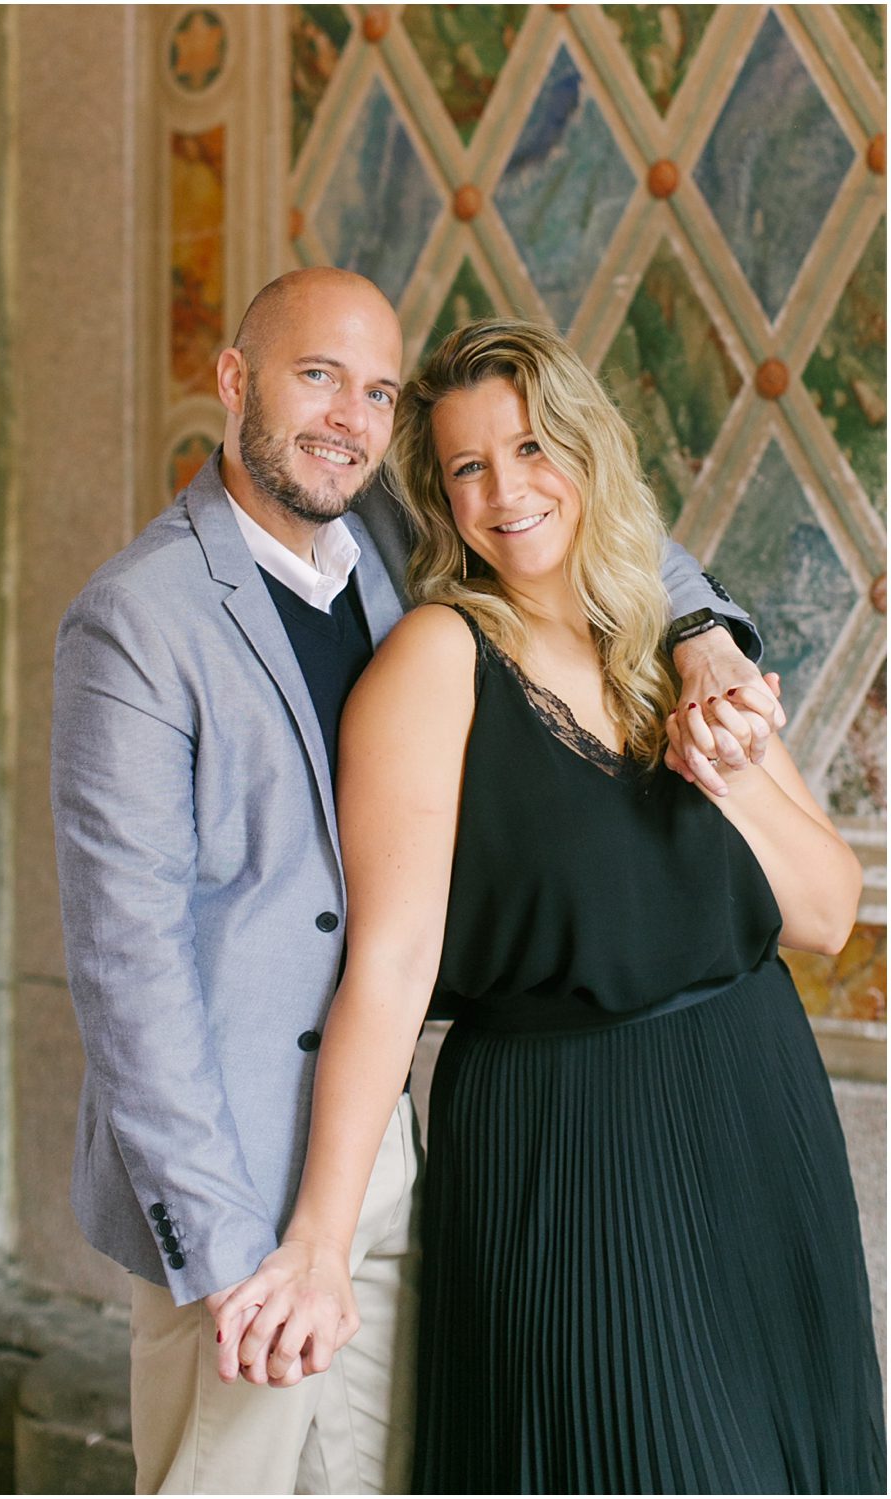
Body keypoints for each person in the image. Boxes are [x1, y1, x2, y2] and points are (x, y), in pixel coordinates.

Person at [49, 270, 779, 1495]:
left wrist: (699, 626)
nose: (347, 416)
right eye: (314, 376)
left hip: (381, 1141)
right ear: (233, 382)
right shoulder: (133, 619)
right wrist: (234, 1253)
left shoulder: (393, 528)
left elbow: (584, 510)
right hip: (228, 1172)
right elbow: (127, 967)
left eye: (375, 391)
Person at [214, 318, 884, 1493]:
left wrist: (722, 767)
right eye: (466, 466)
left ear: (586, 454)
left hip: (756, 1110)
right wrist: (317, 1236)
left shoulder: (675, 644)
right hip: (565, 1142)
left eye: (529, 449)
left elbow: (827, 911)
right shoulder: (436, 658)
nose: (504, 490)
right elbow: (388, 961)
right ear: (437, 496)